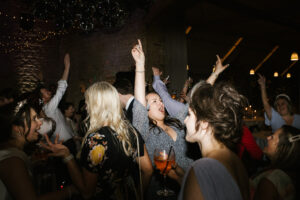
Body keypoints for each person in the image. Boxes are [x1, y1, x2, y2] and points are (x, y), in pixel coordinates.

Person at [42, 81, 153, 200]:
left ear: (96, 106)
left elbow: (86, 192)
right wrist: (139, 194)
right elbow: (148, 170)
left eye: (87, 103)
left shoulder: (95, 140)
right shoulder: (131, 131)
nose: (86, 107)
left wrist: (67, 156)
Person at [179, 81, 250, 200]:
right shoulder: (235, 160)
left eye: (189, 114)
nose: (185, 120)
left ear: (204, 123)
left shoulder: (202, 169)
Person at [0, 101, 75, 200]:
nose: (40, 122)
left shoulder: (11, 152)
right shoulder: (12, 160)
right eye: (34, 119)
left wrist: (32, 162)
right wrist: (70, 191)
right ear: (17, 128)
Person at [38, 54, 76, 155]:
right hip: (64, 144)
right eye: (46, 91)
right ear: (42, 98)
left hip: (65, 141)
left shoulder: (47, 107)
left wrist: (41, 81)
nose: (48, 91)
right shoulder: (49, 108)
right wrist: (67, 67)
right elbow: (61, 89)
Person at [251, 125, 300, 200]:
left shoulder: (269, 183)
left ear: (282, 148)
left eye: (272, 137)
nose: (268, 138)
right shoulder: (290, 172)